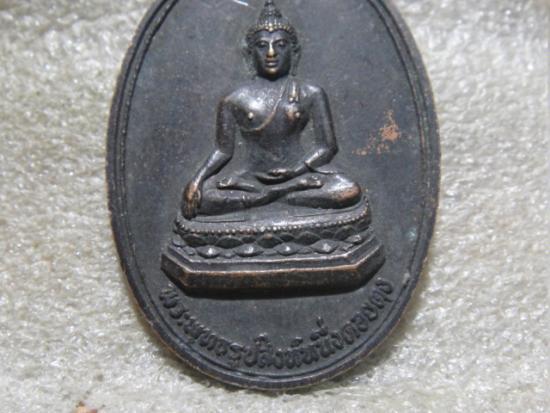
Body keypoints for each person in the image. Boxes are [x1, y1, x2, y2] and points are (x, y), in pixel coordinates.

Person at [182, 0, 362, 219]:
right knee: (205, 196)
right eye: (262, 46)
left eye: (280, 45)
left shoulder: (310, 92)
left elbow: (327, 147)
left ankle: (267, 197)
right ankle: (278, 195)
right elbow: (223, 151)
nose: (270, 53)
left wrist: (298, 170)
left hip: (299, 175)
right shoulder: (235, 99)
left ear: (294, 52)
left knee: (348, 190)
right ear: (249, 53)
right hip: (250, 179)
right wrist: (197, 180)